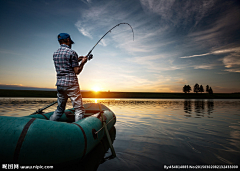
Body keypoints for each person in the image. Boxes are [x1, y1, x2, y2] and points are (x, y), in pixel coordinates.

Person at [50, 33, 88, 122]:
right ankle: (78, 130)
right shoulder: (72, 52)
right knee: (79, 109)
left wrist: (76, 60)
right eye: (70, 41)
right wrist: (83, 63)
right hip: (71, 84)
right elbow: (77, 71)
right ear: (68, 40)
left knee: (60, 109)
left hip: (60, 84)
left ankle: (48, 125)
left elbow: (65, 64)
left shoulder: (55, 54)